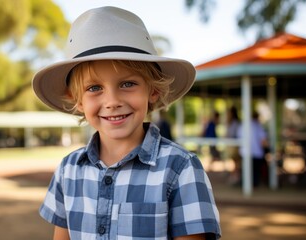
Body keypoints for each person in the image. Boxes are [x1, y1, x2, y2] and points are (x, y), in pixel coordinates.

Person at [32, 6, 221, 239]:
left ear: (152, 91)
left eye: (127, 84)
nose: (112, 102)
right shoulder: (68, 170)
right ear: (77, 100)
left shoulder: (181, 168)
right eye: (94, 88)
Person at [237, 111, 269, 187]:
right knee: (255, 173)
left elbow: (239, 138)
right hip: (257, 153)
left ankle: (246, 185)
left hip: (245, 153)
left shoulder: (242, 125)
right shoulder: (258, 126)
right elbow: (263, 141)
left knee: (246, 172)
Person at [226, 106, 242, 185]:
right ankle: (236, 177)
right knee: (235, 163)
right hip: (233, 145)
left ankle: (236, 177)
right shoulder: (233, 123)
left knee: (236, 163)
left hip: (235, 146)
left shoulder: (235, 123)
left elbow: (232, 134)